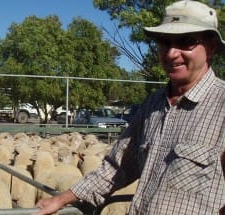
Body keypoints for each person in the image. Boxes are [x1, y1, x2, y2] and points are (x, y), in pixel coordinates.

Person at [34, 1, 225, 214]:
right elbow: (117, 167)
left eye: (186, 42)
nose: (172, 53)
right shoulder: (151, 106)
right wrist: (62, 199)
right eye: (164, 42)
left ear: (211, 47)